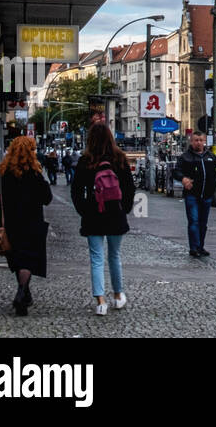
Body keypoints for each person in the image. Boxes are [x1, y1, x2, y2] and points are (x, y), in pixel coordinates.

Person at [70, 121, 135, 316]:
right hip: (115, 214)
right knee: (114, 256)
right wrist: (125, 209)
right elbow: (129, 188)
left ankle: (100, 302)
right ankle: (118, 295)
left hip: (93, 214)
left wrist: (83, 210)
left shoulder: (86, 160)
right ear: (110, 137)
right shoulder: (119, 159)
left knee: (96, 258)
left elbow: (75, 191)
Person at [0, 136, 52, 317]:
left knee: (18, 259)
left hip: (11, 225)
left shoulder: (2, 174)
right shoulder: (35, 174)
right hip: (32, 224)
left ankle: (24, 292)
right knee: (28, 260)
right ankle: (22, 291)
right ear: (31, 153)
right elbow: (47, 199)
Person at [176, 131, 216, 257]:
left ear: (204, 141)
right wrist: (183, 179)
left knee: (203, 223)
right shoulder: (186, 157)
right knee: (194, 221)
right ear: (192, 141)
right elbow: (177, 171)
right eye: (196, 140)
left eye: (201, 140)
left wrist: (215, 183)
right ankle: (194, 247)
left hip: (207, 194)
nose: (198, 142)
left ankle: (200, 246)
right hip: (192, 195)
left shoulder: (211, 157)